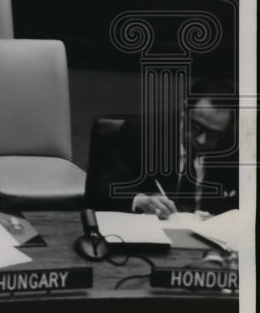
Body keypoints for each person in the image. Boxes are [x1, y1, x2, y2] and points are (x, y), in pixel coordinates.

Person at [90, 78, 238, 218]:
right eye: (196, 127)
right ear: (185, 110)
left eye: (213, 135)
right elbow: (102, 188)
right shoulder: (143, 132)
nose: (201, 140)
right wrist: (140, 200)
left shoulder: (232, 147)